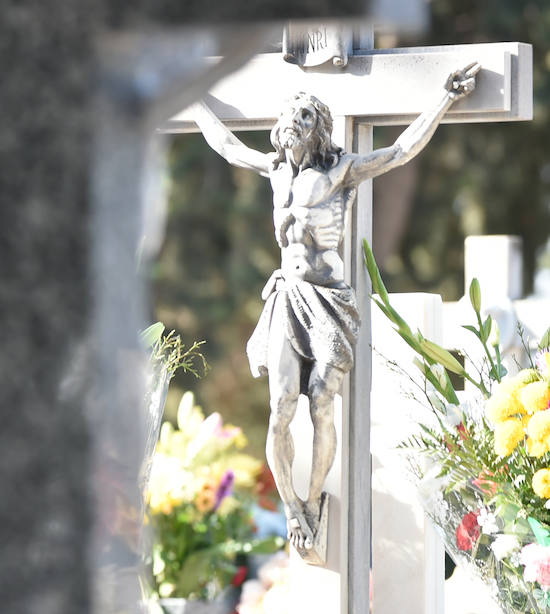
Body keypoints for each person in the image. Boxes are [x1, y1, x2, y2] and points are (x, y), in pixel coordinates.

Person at [190, 63, 478, 561]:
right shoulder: (275, 170)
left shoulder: (338, 171)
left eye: (305, 116)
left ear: (318, 127)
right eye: (291, 115)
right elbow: (226, 146)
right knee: (281, 405)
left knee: (322, 400)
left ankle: (315, 495)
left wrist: (444, 100)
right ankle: (292, 507)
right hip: (287, 295)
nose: (295, 122)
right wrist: (193, 96)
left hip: (328, 299)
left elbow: (399, 151)